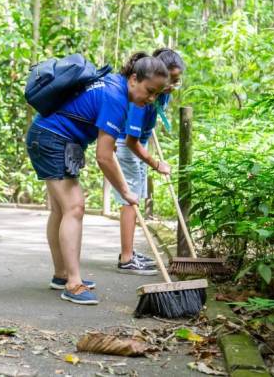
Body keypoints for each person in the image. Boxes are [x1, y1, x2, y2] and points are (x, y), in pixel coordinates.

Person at [26, 53, 169, 305]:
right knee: (75, 207)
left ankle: (62, 275)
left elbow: (101, 138)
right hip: (52, 139)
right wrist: (126, 191)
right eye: (150, 91)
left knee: (61, 210)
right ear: (133, 79)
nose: (151, 99)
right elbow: (104, 157)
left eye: (157, 94)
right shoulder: (117, 97)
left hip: (46, 135)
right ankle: (73, 283)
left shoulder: (112, 83)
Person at [112, 48, 185, 275]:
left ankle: (130, 252)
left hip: (139, 147)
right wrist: (156, 164)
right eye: (170, 79)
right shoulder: (141, 98)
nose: (173, 84)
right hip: (128, 147)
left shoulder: (162, 93)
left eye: (177, 80)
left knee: (138, 199)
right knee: (130, 201)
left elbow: (147, 126)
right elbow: (131, 141)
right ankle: (126, 258)